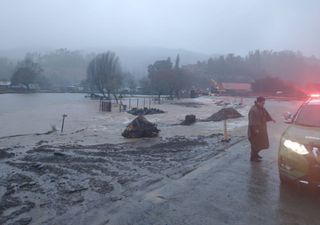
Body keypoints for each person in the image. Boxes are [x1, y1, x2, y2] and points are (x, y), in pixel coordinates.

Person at [248, 96, 275, 162]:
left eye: (264, 103)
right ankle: (253, 157)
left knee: (260, 144)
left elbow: (266, 114)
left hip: (261, 130)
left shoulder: (261, 108)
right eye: (262, 103)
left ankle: (256, 154)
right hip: (254, 131)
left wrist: (271, 119)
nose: (263, 104)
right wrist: (256, 130)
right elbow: (252, 121)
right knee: (255, 144)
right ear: (258, 102)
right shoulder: (253, 110)